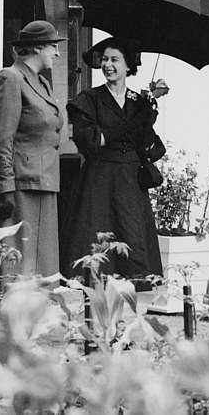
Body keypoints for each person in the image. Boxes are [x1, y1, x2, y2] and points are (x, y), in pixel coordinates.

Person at [61, 37, 169, 283]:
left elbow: (147, 147)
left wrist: (148, 113)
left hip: (130, 180)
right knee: (96, 234)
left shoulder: (138, 101)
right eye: (105, 60)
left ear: (128, 65)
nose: (108, 65)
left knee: (131, 232)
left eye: (114, 60)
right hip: (99, 179)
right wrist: (132, 121)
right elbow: (90, 142)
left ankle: (135, 284)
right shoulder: (89, 99)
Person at [0, 20, 64, 277]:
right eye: (53, 46)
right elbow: (2, 138)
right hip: (19, 185)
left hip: (43, 182)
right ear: (37, 48)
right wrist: (6, 188)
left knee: (41, 265)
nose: (58, 53)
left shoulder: (42, 83)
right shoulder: (10, 78)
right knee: (16, 264)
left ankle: (37, 315)